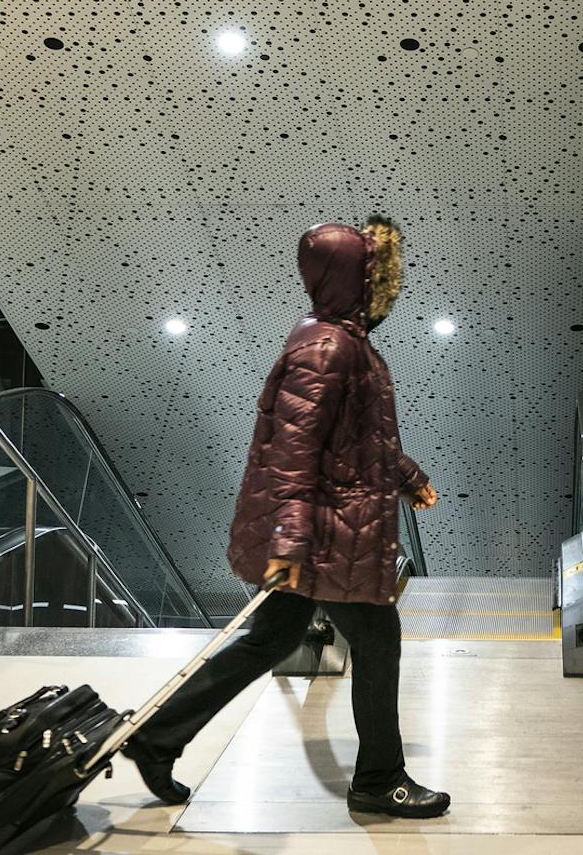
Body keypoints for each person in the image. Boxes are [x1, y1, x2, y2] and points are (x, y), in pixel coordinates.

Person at [123, 217, 449, 819]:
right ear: (354, 277)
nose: (386, 287)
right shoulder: (328, 348)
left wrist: (405, 476)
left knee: (267, 640)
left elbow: (348, 439)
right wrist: (291, 537)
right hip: (326, 537)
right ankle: (379, 779)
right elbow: (293, 454)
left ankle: (157, 738)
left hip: (328, 530)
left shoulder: (335, 340)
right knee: (377, 640)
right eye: (376, 275)